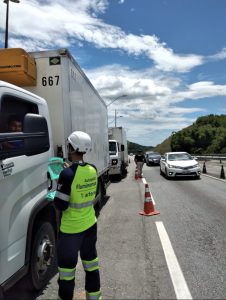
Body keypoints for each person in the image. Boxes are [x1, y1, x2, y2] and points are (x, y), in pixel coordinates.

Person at [54, 131, 101, 300]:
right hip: (90, 225)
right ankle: (94, 297)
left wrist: (60, 184)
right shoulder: (92, 169)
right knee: (91, 265)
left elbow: (61, 204)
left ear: (71, 148)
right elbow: (91, 193)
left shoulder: (66, 175)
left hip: (71, 230)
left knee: (67, 273)